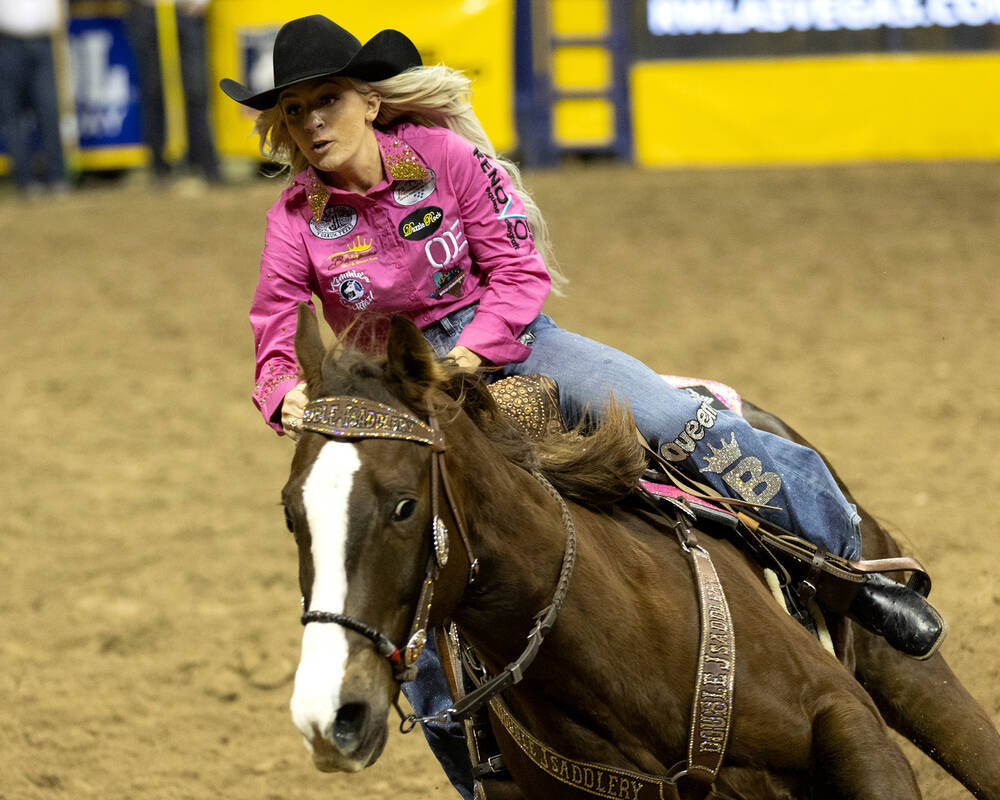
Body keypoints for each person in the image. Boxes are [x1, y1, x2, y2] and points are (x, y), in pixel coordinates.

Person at [221, 14, 944, 796]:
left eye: (326, 99)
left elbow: (517, 269)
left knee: (675, 420)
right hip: (405, 397)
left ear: (369, 101)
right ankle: (482, 776)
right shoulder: (293, 221)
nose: (312, 121)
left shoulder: (446, 157)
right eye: (294, 110)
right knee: (415, 618)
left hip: (517, 345)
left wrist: (471, 351)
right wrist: (283, 394)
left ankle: (852, 574)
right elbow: (274, 330)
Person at [124, 0, 220, 184]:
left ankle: (204, 165)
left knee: (196, 91)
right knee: (153, 92)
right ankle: (159, 168)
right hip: (147, 11)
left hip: (187, 12)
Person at [0, 0, 68, 195]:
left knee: (49, 110)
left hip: (44, 40)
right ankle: (24, 181)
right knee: (13, 115)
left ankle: (57, 176)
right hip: (7, 42)